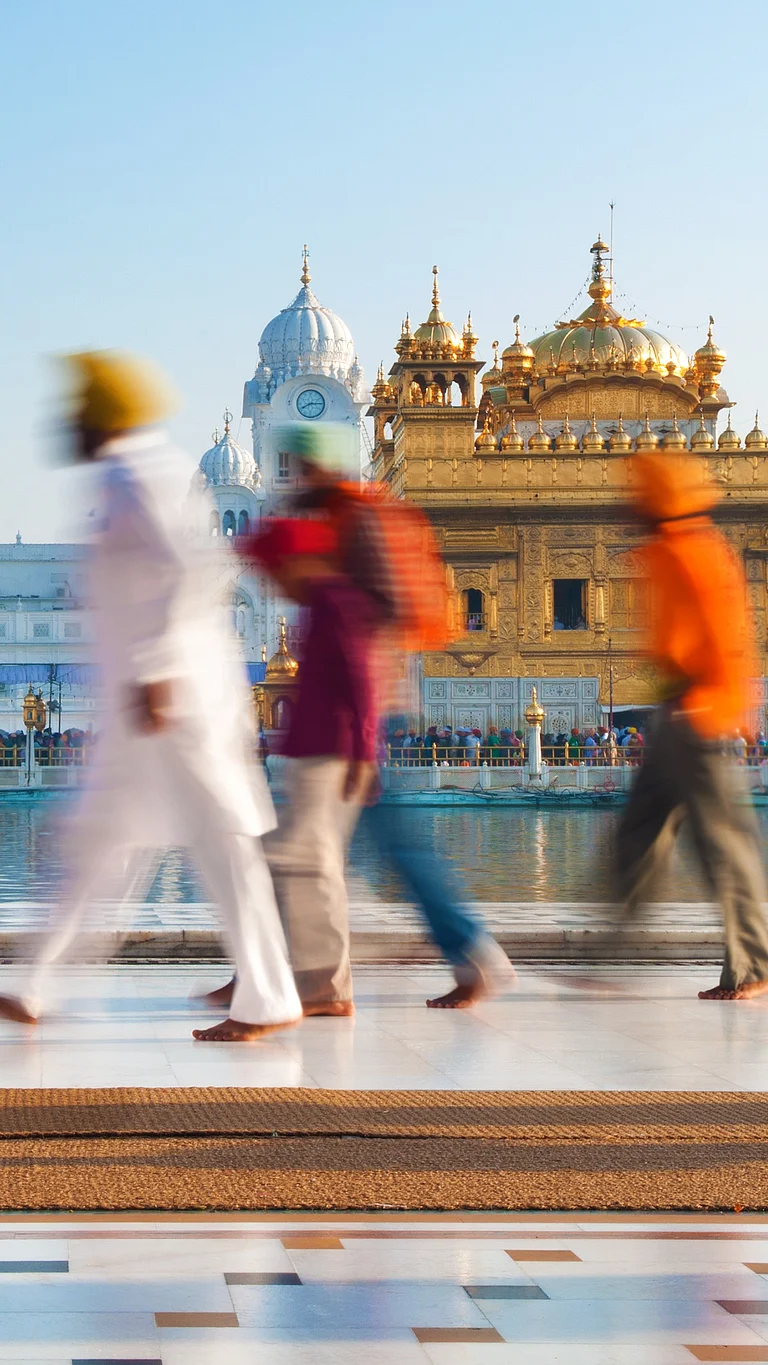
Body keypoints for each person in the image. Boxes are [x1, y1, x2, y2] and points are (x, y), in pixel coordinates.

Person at [0, 350, 301, 1042]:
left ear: (101, 417)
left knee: (221, 843)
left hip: (174, 695)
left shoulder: (143, 475)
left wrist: (157, 670)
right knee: (100, 839)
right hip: (144, 696)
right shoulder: (123, 477)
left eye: (79, 414)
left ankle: (268, 996)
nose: (68, 425)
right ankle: (35, 980)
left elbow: (181, 572)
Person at [206, 514, 379, 1018]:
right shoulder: (318, 606)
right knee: (297, 867)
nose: (273, 582)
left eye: (275, 569)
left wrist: (364, 753)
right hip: (314, 754)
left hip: (331, 756)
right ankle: (272, 979)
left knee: (302, 868)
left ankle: (310, 988)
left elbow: (361, 682)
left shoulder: (333, 603)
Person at [614, 452, 768, 1001]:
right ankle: (611, 952)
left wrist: (719, 708)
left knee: (722, 845)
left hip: (699, 712)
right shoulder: (668, 549)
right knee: (639, 833)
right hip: (678, 712)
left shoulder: (693, 553)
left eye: (639, 496)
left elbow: (725, 637)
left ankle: (752, 969)